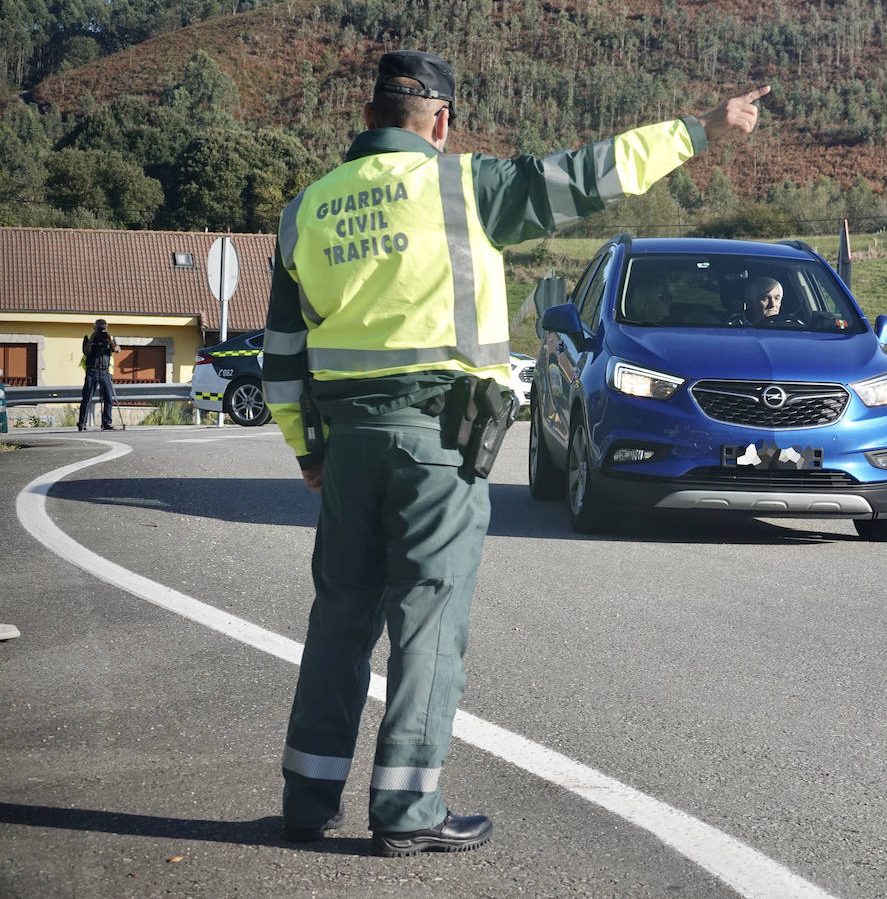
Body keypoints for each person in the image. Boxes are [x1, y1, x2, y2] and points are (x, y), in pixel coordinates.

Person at [262, 49, 768, 858]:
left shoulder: (305, 211)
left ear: (367, 117)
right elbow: (593, 173)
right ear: (442, 122)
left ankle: (306, 802)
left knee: (338, 622)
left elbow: (283, 359)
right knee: (427, 625)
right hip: (440, 443)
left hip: (348, 445)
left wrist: (306, 451)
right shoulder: (467, 187)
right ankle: (407, 812)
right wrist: (701, 129)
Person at [77, 318, 120, 430]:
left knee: (108, 397)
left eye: (103, 327)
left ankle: (107, 422)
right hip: (92, 371)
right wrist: (92, 340)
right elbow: (86, 352)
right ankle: (82, 423)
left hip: (105, 372)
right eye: (99, 327)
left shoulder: (109, 337)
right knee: (87, 397)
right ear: (94, 327)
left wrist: (110, 341)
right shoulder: (88, 337)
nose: (101, 330)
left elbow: (117, 350)